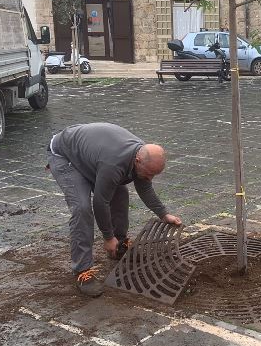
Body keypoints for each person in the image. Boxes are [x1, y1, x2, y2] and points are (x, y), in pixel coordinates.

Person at [47, 123, 182, 297]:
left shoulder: (141, 154)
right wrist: (107, 237)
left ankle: (120, 244)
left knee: (120, 193)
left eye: (153, 175)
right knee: (82, 207)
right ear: (137, 161)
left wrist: (164, 214)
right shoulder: (114, 163)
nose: (150, 178)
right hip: (65, 156)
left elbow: (144, 186)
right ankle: (82, 271)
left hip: (91, 154)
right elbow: (100, 202)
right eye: (149, 173)